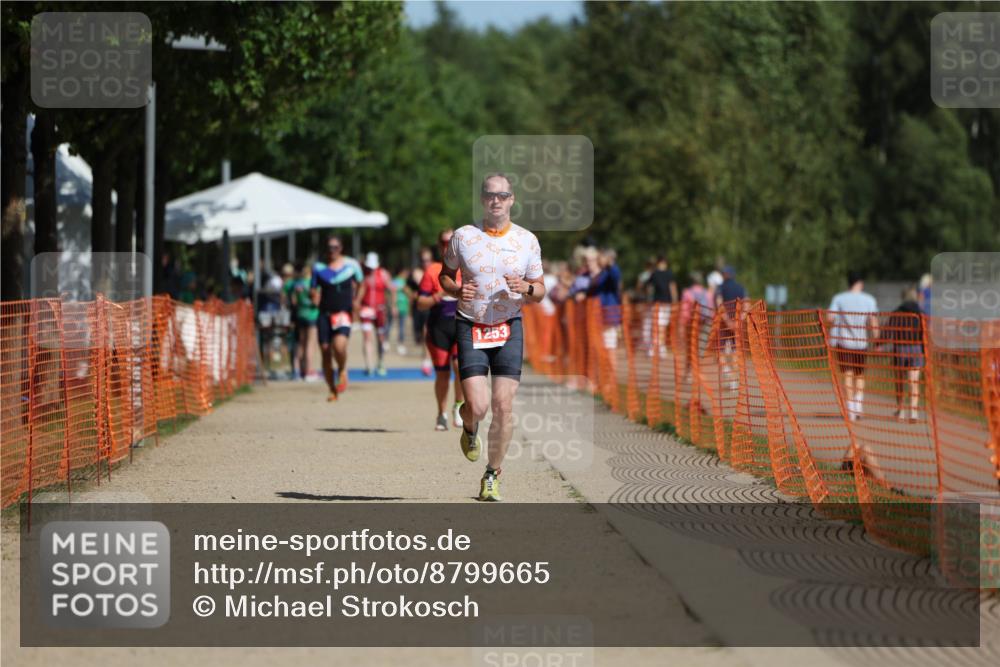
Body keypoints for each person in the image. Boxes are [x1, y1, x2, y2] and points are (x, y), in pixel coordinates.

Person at [440, 173, 546, 501]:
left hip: (509, 325)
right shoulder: (463, 237)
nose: (496, 200)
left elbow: (540, 290)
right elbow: (445, 276)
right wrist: (457, 289)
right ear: (482, 199)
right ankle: (469, 427)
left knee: (503, 405)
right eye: (490, 195)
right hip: (471, 325)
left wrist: (526, 288)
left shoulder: (527, 240)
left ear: (512, 199)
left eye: (502, 195)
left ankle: (492, 474)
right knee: (478, 405)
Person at [417, 229, 466, 431]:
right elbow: (420, 303)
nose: (448, 245)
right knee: (443, 374)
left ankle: (459, 406)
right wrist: (439, 294)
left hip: (461, 324)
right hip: (438, 328)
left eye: (452, 241)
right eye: (445, 242)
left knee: (459, 368)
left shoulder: (467, 267)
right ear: (439, 246)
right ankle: (441, 413)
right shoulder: (432, 270)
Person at [311, 236, 363, 401]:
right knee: (326, 351)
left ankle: (342, 369)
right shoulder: (319, 268)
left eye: (335, 247)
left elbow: (362, 284)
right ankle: (332, 389)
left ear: (341, 248)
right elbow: (312, 289)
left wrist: (357, 301)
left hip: (342, 313)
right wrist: (314, 296)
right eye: (329, 247)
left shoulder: (351, 265)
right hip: (324, 314)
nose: (332, 250)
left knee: (339, 346)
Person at [826, 271, 879, 425]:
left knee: (848, 375)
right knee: (860, 374)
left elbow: (830, 317)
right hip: (861, 343)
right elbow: (873, 321)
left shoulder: (839, 298)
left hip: (844, 342)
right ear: (860, 283)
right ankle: (858, 405)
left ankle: (850, 409)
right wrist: (877, 340)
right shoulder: (869, 299)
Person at [887, 287, 924, 423]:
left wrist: (879, 343)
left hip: (900, 349)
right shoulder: (921, 313)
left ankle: (901, 410)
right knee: (913, 381)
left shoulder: (896, 313)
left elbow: (888, 331)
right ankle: (913, 412)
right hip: (916, 348)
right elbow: (925, 333)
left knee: (900, 381)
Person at [357, 252, 397, 377]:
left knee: (380, 338)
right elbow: (360, 290)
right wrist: (357, 304)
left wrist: (393, 305)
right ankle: (369, 365)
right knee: (367, 337)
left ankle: (381, 362)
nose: (371, 269)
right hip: (366, 308)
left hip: (380, 309)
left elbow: (392, 289)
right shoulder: (364, 275)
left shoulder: (383, 274)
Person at [715, 265, 747, 391]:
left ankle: (727, 372)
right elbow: (747, 304)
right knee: (734, 352)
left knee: (720, 351)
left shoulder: (720, 288)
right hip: (736, 323)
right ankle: (734, 381)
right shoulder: (741, 288)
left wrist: (727, 320)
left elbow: (719, 304)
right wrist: (740, 320)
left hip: (723, 323)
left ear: (725, 275)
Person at [289, 261, 319, 381]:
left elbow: (293, 301)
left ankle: (297, 370)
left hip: (300, 315)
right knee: (310, 344)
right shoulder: (312, 284)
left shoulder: (297, 284)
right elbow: (316, 302)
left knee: (301, 343)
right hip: (312, 315)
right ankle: (309, 370)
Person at [644, 256, 678, 358]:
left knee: (657, 325)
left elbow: (649, 288)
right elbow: (673, 288)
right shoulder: (668, 273)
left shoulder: (654, 273)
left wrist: (648, 300)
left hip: (658, 303)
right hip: (664, 303)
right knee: (661, 325)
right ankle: (659, 347)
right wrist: (675, 302)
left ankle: (656, 347)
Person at [410, 249, 434, 376]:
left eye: (428, 260)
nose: (426, 263)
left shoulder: (434, 271)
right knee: (420, 337)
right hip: (419, 309)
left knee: (427, 333)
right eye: (424, 260)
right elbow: (406, 287)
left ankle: (427, 361)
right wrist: (412, 295)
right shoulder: (416, 273)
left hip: (432, 307)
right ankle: (426, 358)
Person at [393, 268, 411, 354]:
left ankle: (387, 343)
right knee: (401, 326)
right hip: (400, 307)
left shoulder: (395, 281)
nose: (407, 275)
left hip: (401, 306)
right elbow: (408, 292)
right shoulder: (401, 281)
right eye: (406, 273)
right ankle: (400, 344)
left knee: (397, 326)